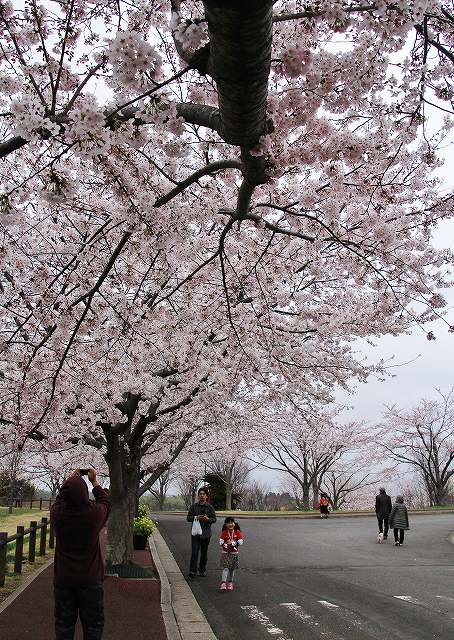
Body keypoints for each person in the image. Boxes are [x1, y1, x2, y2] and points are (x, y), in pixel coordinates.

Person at [50, 468, 111, 640]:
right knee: (93, 627)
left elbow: (59, 499)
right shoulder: (93, 515)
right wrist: (94, 482)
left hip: (63, 580)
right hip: (90, 581)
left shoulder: (57, 514)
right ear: (85, 493)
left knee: (63, 626)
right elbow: (106, 503)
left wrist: (70, 480)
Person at [186, 486, 216, 579]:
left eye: (204, 494)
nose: (202, 495)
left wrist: (207, 519)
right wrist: (196, 517)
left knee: (204, 554)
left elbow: (214, 519)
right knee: (194, 553)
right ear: (198, 496)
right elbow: (188, 518)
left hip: (206, 534)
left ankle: (202, 570)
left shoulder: (210, 507)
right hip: (196, 534)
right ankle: (192, 571)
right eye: (200, 494)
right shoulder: (194, 506)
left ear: (206, 496)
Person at [219, 517, 243, 592]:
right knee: (225, 568)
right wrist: (225, 544)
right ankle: (223, 583)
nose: (230, 524)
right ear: (225, 525)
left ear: (234, 524)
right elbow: (221, 542)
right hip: (226, 553)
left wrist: (233, 543)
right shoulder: (224, 532)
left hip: (234, 553)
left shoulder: (237, 532)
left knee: (232, 569)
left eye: (232, 522)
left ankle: (230, 582)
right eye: (228, 523)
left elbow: (241, 541)